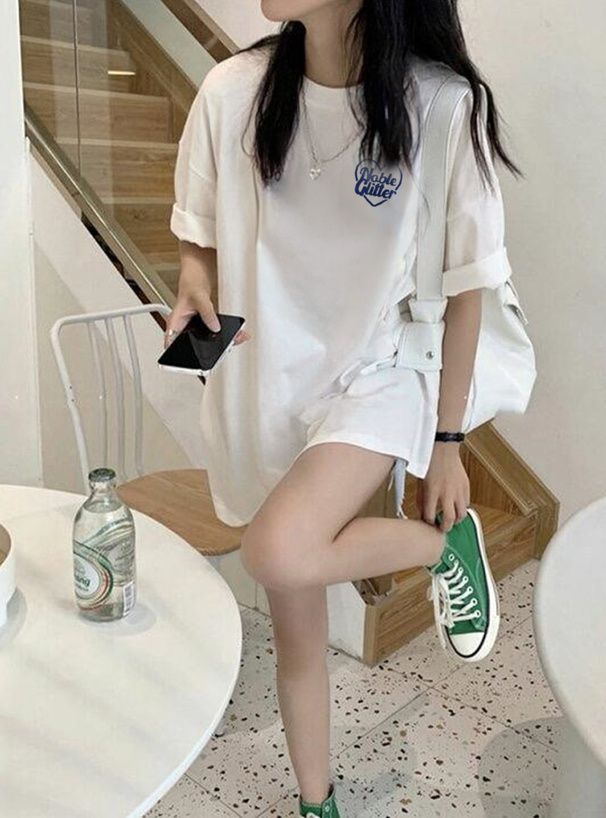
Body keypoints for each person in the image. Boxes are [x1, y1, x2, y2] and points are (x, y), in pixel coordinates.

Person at [165, 1, 522, 815]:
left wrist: (448, 444)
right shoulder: (233, 90)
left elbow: (469, 289)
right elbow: (198, 227)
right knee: (298, 634)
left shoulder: (442, 106)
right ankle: (316, 802)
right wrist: (193, 275)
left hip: (381, 375)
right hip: (267, 381)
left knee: (276, 550)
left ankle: (443, 549)